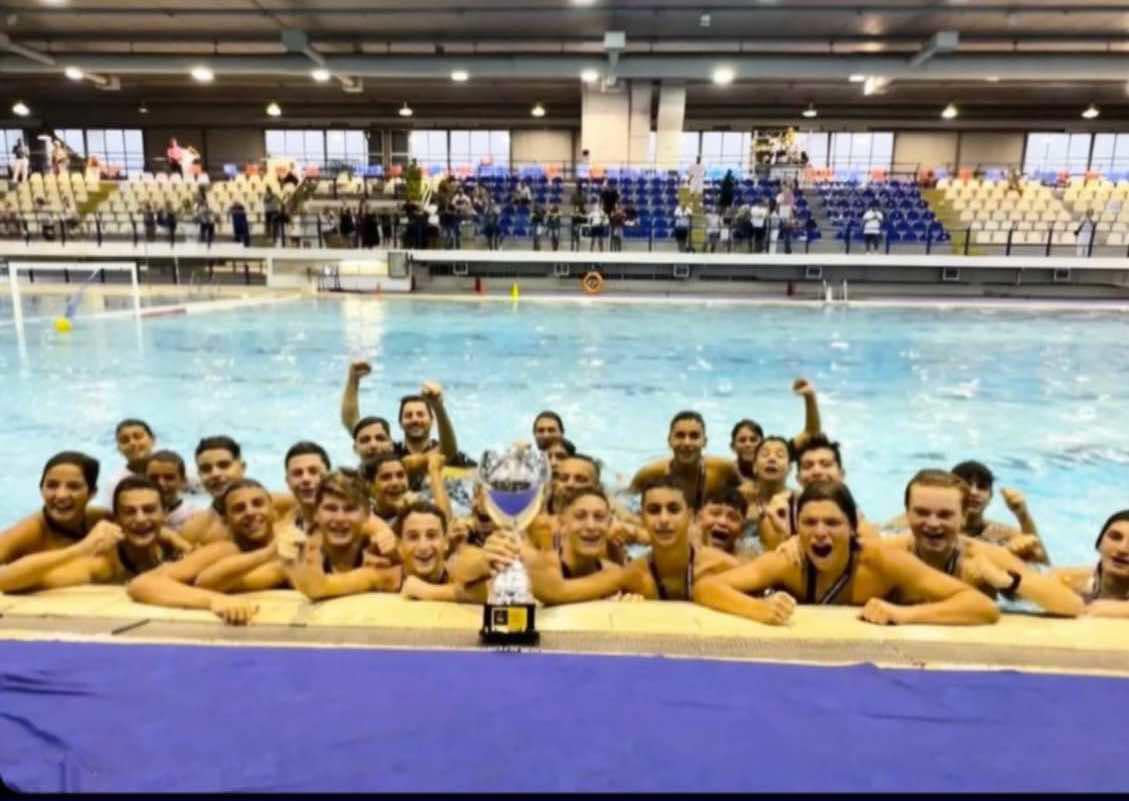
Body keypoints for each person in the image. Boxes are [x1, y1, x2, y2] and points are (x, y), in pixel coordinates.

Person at [693, 481, 1001, 626]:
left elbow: (982, 606)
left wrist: (902, 614)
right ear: (797, 528)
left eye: (832, 523)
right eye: (809, 523)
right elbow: (706, 587)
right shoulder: (789, 561)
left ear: (853, 527)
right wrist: (757, 609)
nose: (820, 533)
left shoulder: (882, 562)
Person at [884, 470, 1082, 617]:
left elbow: (1072, 605)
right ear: (906, 514)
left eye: (945, 515)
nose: (933, 523)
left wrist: (1008, 582)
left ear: (963, 517)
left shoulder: (985, 556)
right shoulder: (887, 554)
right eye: (921, 513)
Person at [127, 480, 286, 624]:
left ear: (274, 510)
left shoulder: (292, 539)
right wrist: (214, 600)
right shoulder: (223, 550)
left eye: (258, 504)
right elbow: (140, 584)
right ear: (226, 520)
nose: (250, 512)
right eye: (239, 509)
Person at [0, 476, 191, 592]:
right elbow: (5, 580)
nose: (140, 519)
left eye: (149, 510)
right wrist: (79, 550)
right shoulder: (103, 565)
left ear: (165, 514)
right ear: (116, 519)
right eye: (129, 512)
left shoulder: (176, 545)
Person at [279, 469, 401, 600]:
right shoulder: (305, 549)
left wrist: (291, 565)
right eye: (330, 508)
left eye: (350, 509)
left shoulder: (381, 557)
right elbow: (266, 575)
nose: (340, 518)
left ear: (366, 514)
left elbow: (317, 588)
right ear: (315, 513)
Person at [618, 479, 739, 600]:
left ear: (690, 517)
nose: (664, 519)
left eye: (674, 510)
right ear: (642, 518)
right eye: (654, 510)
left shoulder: (722, 566)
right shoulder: (633, 575)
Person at [340, 364, 464, 475]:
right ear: (400, 423)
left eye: (420, 414)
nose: (373, 445)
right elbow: (353, 423)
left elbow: (446, 453)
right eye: (408, 415)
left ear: (433, 421)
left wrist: (438, 406)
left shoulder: (402, 464)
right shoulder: (390, 452)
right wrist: (353, 380)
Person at [0, 451, 110, 565]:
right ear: (41, 489)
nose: (61, 495)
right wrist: (80, 549)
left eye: (74, 487)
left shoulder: (102, 519)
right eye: (52, 485)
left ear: (92, 493)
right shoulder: (29, 532)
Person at [630, 411, 741, 512]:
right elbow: (628, 499)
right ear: (669, 441)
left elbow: (746, 489)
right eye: (680, 436)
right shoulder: (650, 474)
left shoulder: (722, 469)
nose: (687, 443)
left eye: (694, 436)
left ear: (704, 442)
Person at [1051, 510, 1129, 617]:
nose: (1122, 549)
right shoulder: (1073, 579)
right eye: (1115, 537)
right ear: (1099, 544)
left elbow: (1092, 610)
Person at [144, 450, 201, 532]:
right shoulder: (134, 514)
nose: (161, 483)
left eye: (169, 477)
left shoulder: (195, 516)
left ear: (183, 481)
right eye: (154, 478)